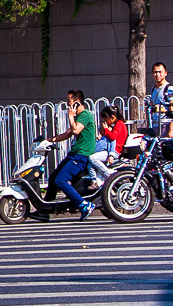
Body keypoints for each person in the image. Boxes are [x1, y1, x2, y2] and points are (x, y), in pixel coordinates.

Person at [41, 90, 98, 221]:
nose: (67, 105)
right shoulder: (80, 117)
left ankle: (84, 205)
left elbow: (75, 130)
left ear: (77, 103)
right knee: (53, 178)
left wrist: (71, 116)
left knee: (60, 180)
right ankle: (45, 211)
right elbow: (68, 133)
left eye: (69, 102)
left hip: (81, 156)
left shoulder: (84, 115)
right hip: (74, 155)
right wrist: (49, 140)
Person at [91, 105, 128, 182]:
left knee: (92, 158)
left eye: (106, 119)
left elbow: (113, 137)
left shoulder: (120, 124)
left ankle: (107, 173)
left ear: (112, 117)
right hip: (110, 150)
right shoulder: (116, 124)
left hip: (114, 151)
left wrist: (106, 129)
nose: (105, 121)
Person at [150, 62, 173, 138]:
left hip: (165, 125)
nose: (158, 74)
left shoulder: (169, 89)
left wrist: (171, 129)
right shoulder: (153, 89)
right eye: (155, 72)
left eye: (160, 72)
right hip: (155, 124)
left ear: (165, 73)